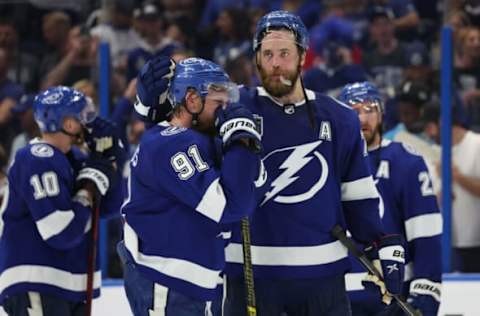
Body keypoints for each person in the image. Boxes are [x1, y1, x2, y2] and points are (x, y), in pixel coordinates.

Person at [134, 11, 406, 316]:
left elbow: (359, 198)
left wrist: (380, 244)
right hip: (248, 275)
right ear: (257, 59)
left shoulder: (341, 118)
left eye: (285, 53)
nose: (276, 63)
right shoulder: (230, 107)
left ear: (303, 56)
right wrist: (147, 100)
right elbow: (173, 135)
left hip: (323, 279)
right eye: (267, 54)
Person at [117, 57, 265, 316]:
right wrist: (240, 142)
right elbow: (232, 206)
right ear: (192, 99)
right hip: (168, 283)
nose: (225, 109)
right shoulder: (169, 143)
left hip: (192, 286)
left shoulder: (201, 141)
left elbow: (255, 192)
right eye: (218, 102)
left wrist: (240, 146)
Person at [0, 86, 124, 315]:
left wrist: (113, 160)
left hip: (69, 285)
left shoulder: (74, 159)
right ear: (67, 123)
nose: (89, 124)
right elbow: (60, 231)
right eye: (83, 117)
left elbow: (110, 207)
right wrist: (88, 186)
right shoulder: (37, 158)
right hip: (38, 280)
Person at [339, 82, 442, 316]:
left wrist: (425, 293)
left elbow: (426, 233)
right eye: (354, 111)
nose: (362, 118)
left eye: (369, 109)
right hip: (337, 298)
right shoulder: (328, 164)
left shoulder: (405, 161)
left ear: (382, 113)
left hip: (391, 297)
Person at [422, 104, 480, 273]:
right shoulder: (434, 152)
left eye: (429, 127)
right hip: (445, 243)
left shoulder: (477, 144)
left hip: (476, 243)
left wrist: (458, 177)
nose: (428, 133)